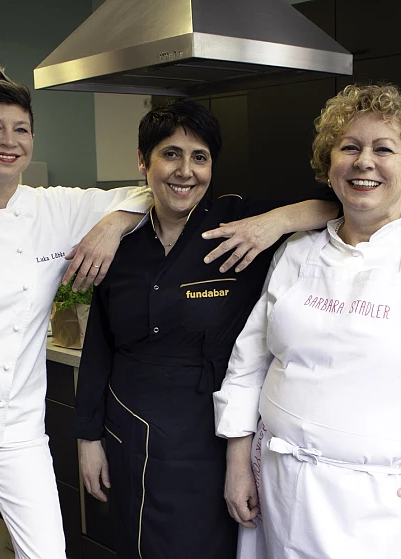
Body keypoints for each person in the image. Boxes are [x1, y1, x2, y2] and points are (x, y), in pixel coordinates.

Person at [0, 68, 271, 559]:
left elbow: (146, 191)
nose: (9, 141)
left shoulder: (58, 208)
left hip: (17, 419)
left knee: (46, 551)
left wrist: (112, 225)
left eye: (21, 129)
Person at [214, 84, 401, 558]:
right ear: (329, 165)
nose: (363, 162)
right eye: (349, 147)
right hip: (277, 480)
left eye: (383, 149)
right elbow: (251, 358)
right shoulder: (298, 252)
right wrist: (238, 459)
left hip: (381, 504)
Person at [72, 99, 339, 559]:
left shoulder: (236, 223)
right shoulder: (120, 242)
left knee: (212, 544)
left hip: (213, 430)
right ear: (143, 161)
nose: (185, 171)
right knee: (138, 544)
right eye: (170, 154)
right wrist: (87, 437)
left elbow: (336, 206)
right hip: (129, 426)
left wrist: (272, 224)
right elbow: (99, 346)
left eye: (200, 157)